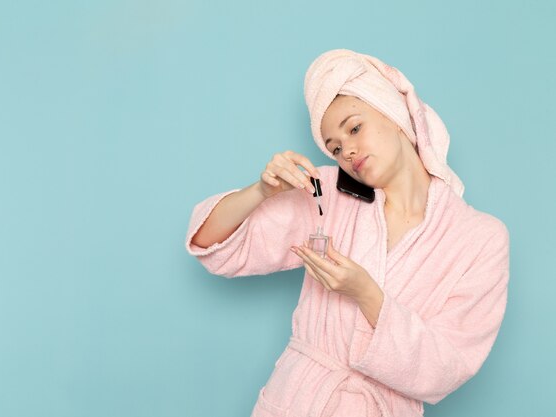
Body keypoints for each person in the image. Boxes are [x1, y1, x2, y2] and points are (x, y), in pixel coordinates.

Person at [185, 49, 509, 417]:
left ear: (394, 115)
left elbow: (447, 366)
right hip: (297, 402)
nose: (348, 151)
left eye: (355, 128)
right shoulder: (327, 192)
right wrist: (260, 191)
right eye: (334, 147)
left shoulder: (478, 238)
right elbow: (213, 246)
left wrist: (367, 293)